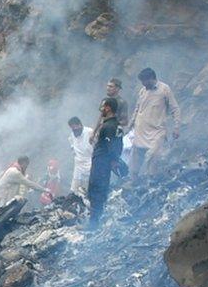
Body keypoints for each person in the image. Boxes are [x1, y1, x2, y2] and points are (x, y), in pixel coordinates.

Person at [130, 68, 180, 179]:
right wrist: (131, 124)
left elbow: (175, 109)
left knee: (152, 155)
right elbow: (137, 108)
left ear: (152, 78)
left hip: (157, 130)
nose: (143, 84)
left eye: (145, 81)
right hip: (140, 130)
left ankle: (150, 180)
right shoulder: (143, 91)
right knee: (135, 157)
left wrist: (176, 127)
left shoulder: (164, 89)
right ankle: (133, 180)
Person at [87, 98, 123, 229]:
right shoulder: (116, 125)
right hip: (104, 162)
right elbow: (119, 145)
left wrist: (113, 161)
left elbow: (111, 146)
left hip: (101, 162)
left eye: (102, 107)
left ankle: (93, 224)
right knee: (101, 189)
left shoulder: (108, 126)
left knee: (95, 189)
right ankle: (97, 220)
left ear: (108, 108)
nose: (101, 110)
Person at [66, 116, 94, 196]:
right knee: (75, 187)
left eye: (75, 128)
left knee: (88, 186)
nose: (74, 130)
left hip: (90, 161)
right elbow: (72, 146)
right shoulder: (72, 135)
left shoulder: (89, 132)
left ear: (80, 125)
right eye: (72, 128)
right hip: (78, 164)